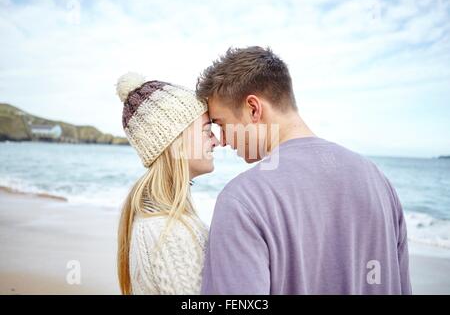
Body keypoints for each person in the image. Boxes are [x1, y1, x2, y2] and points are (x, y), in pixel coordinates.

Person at [196, 46, 412, 294]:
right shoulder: (378, 181)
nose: (222, 139)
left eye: (221, 124)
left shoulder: (242, 200)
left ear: (254, 109)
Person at [116, 72, 219, 294]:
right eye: (207, 130)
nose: (216, 140)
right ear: (176, 141)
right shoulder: (169, 233)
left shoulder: (157, 222)